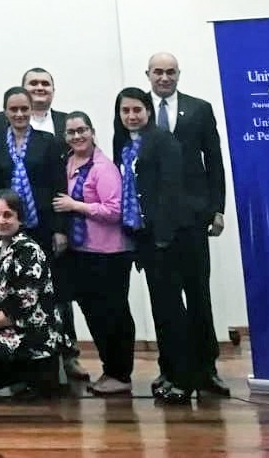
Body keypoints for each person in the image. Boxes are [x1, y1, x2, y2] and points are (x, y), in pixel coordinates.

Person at [0, 87, 82, 379]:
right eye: (13, 109)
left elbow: (59, 186)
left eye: (24, 109)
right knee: (13, 292)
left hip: (44, 227)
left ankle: (68, 354)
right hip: (8, 231)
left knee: (56, 294)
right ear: (5, 112)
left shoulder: (48, 142)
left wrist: (60, 229)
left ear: (31, 110)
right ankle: (22, 359)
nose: (19, 114)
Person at [146, 52, 230, 397]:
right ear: (148, 74)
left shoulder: (199, 109)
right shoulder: (137, 110)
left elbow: (214, 161)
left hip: (193, 220)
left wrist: (217, 209)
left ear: (179, 74)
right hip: (154, 225)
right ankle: (170, 368)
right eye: (158, 72)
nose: (164, 78)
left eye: (170, 72)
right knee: (163, 301)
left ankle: (206, 369)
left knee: (198, 295)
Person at [112, 87, 192, 403]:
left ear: (148, 110)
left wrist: (163, 235)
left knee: (172, 310)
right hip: (142, 238)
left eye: (137, 110)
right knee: (160, 309)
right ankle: (168, 370)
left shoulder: (163, 140)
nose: (131, 116)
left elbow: (172, 191)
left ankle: (184, 378)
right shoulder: (124, 144)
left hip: (165, 238)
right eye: (125, 111)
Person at [52, 111, 134, 395]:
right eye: (71, 132)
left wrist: (76, 206)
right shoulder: (68, 163)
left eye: (82, 130)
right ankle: (109, 369)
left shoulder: (103, 168)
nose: (77, 136)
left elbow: (114, 210)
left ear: (92, 131)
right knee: (94, 315)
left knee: (114, 315)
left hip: (109, 254)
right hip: (82, 252)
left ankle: (120, 374)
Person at [0, 189, 61, 399]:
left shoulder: (28, 250)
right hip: (5, 323)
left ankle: (39, 375)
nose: (0, 220)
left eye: (7, 215)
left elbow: (23, 305)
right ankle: (19, 380)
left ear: (20, 219)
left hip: (32, 332)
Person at [0, 67, 68, 141]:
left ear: (53, 91)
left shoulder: (66, 121)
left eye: (45, 84)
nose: (40, 88)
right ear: (22, 89)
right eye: (33, 83)